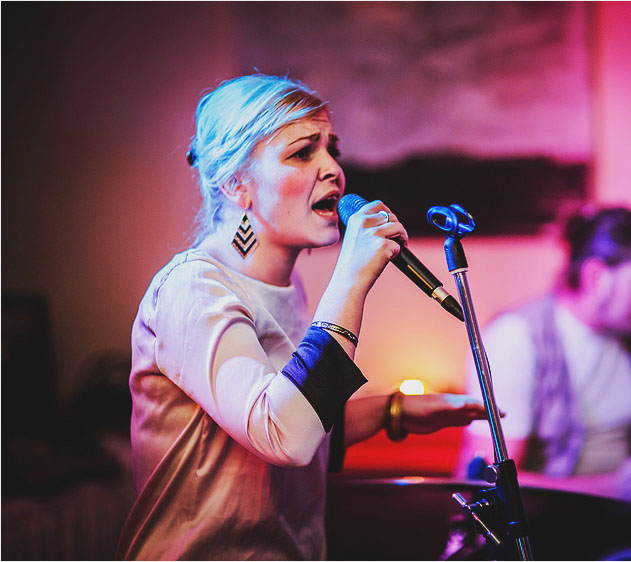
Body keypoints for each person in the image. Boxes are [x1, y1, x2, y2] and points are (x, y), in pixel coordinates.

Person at [116, 74, 487, 560]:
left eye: (331, 150)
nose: (333, 169)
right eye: (302, 152)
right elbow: (283, 435)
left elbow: (302, 422)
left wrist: (392, 411)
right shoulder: (194, 289)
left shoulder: (289, 289)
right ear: (236, 184)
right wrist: (351, 278)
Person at [457, 205, 631, 501]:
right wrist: (612, 489)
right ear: (596, 277)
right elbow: (488, 485)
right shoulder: (515, 339)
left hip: (627, 528)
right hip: (544, 536)